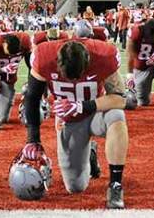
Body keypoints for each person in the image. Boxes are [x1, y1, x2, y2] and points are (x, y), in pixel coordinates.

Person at [21, 38, 128, 209]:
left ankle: (115, 185)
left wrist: (82, 106)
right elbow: (32, 98)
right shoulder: (43, 56)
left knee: (116, 116)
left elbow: (120, 99)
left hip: (95, 112)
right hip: (68, 121)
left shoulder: (103, 55)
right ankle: (90, 153)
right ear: (57, 62)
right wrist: (32, 139)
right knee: (75, 187)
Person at [0, 31, 31, 130]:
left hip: (9, 80)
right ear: (4, 43)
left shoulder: (25, 41)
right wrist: (2, 70)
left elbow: (32, 66)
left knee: (3, 118)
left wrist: (30, 84)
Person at [124, 18, 154, 108]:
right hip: (142, 68)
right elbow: (130, 55)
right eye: (153, 36)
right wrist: (130, 75)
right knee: (142, 102)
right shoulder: (136, 32)